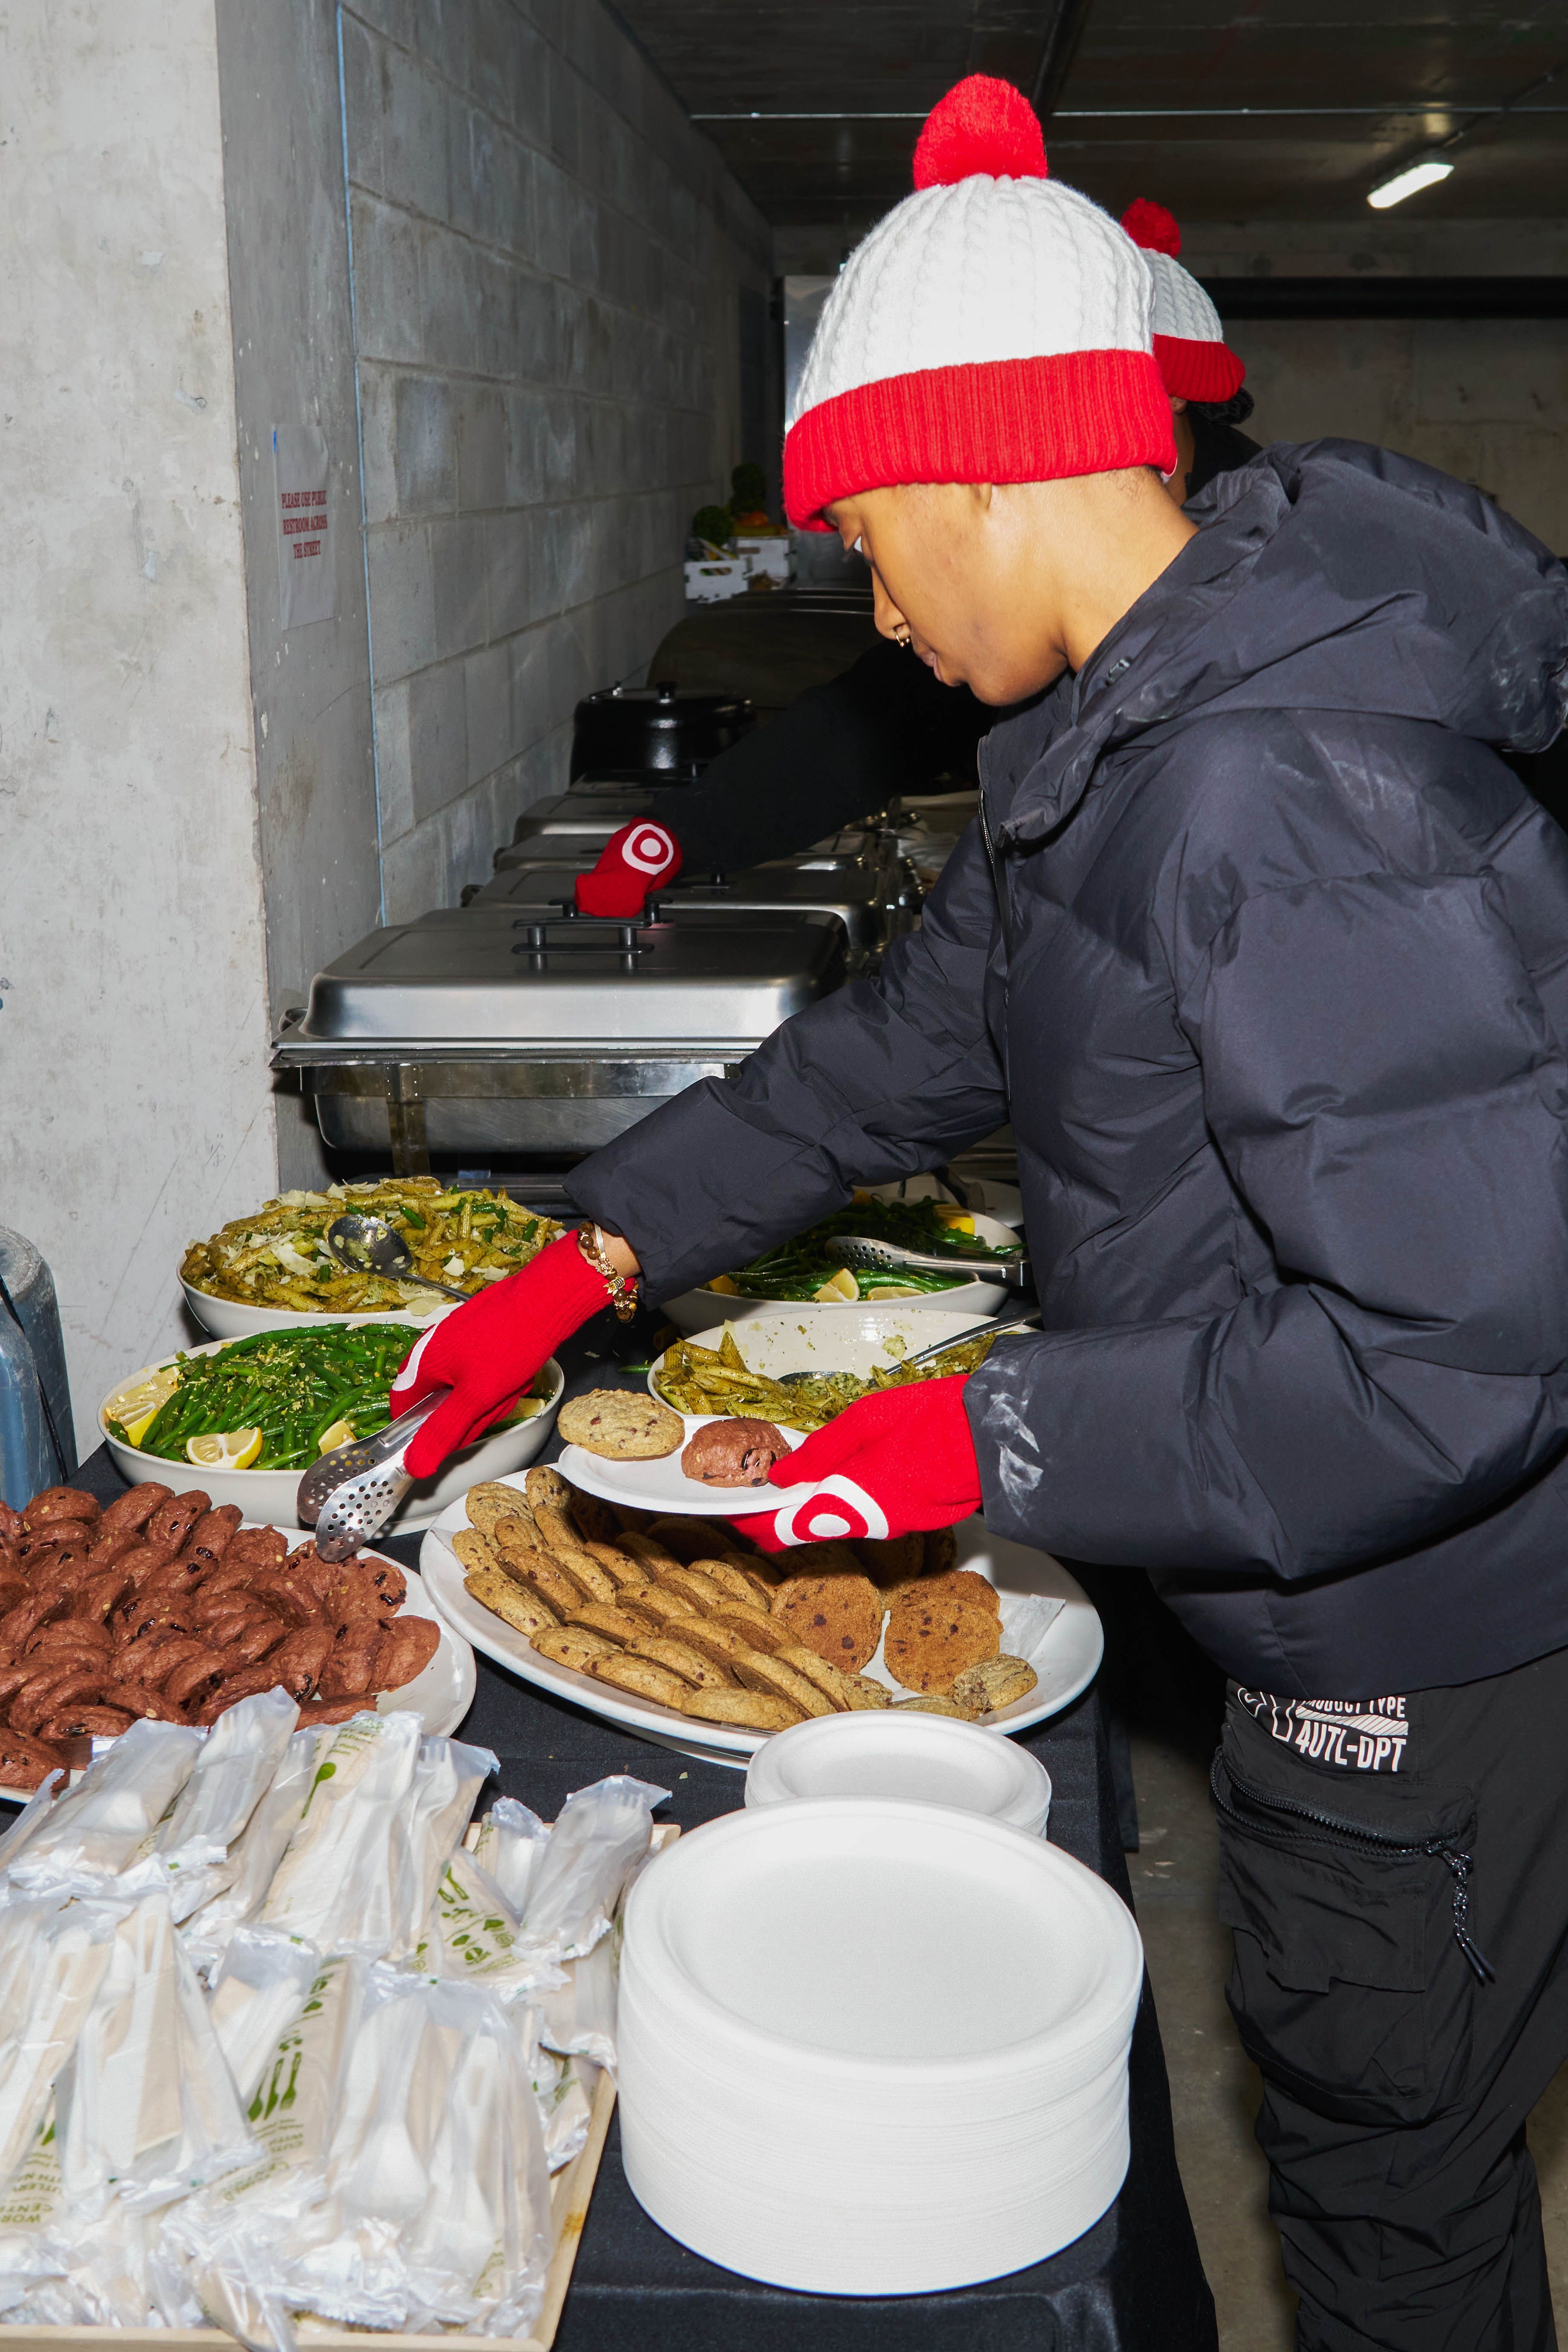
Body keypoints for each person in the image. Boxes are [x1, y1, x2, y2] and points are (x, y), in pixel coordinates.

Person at [395, 73, 1568, 2352]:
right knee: (1370, 2152)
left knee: (1385, 2194)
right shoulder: (1132, 735)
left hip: (1418, 1646)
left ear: (976, 476)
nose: (886, 622)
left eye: (871, 549)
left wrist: (988, 1443)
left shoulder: (1269, 784)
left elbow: (1459, 1350)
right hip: (1324, 1583)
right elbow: (906, 1047)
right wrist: (594, 1248)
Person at [572, 196, 1261, 918]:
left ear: (1174, 397)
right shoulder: (1037, 631)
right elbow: (884, 717)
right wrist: (684, 831)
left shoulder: (1265, 657)